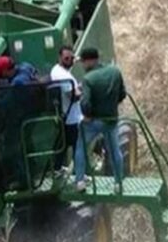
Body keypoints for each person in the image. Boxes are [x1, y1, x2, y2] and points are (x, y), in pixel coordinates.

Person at [74, 46, 126, 193]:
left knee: (81, 147)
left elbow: (85, 103)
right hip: (111, 120)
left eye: (83, 62)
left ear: (90, 61)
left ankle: (80, 181)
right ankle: (118, 183)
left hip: (94, 122)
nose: (83, 65)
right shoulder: (115, 71)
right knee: (115, 150)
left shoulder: (88, 79)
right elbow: (122, 94)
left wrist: (87, 115)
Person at [48, 45, 83, 176]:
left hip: (68, 115)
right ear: (60, 58)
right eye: (66, 58)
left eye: (71, 58)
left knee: (63, 144)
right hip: (71, 118)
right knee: (77, 147)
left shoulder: (59, 70)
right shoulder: (61, 74)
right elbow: (73, 96)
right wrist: (83, 89)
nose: (69, 60)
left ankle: (57, 169)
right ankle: (80, 176)